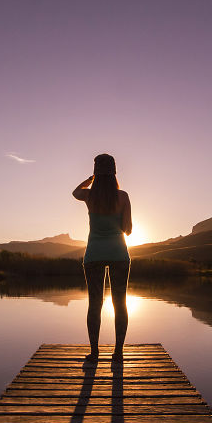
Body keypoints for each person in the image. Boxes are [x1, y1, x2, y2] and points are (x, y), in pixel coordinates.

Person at [72, 153, 132, 357]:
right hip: (119, 254)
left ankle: (95, 352)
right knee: (120, 303)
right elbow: (127, 230)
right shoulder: (123, 196)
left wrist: (90, 180)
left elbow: (75, 192)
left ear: (96, 174)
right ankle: (118, 352)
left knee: (95, 304)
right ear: (114, 174)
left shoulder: (89, 196)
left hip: (94, 255)